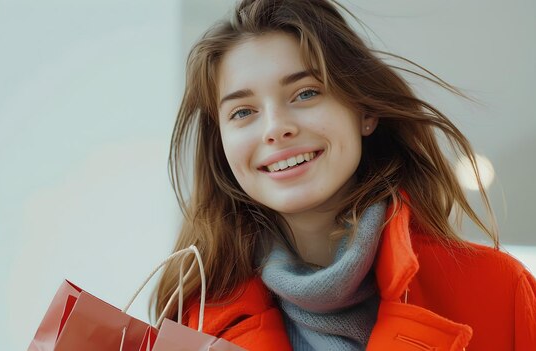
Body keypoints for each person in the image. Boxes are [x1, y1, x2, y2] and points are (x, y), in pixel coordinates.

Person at [152, 0, 536, 350]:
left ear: (364, 111)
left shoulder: (499, 290)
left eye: (305, 93)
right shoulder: (193, 322)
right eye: (242, 112)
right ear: (221, 146)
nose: (275, 128)